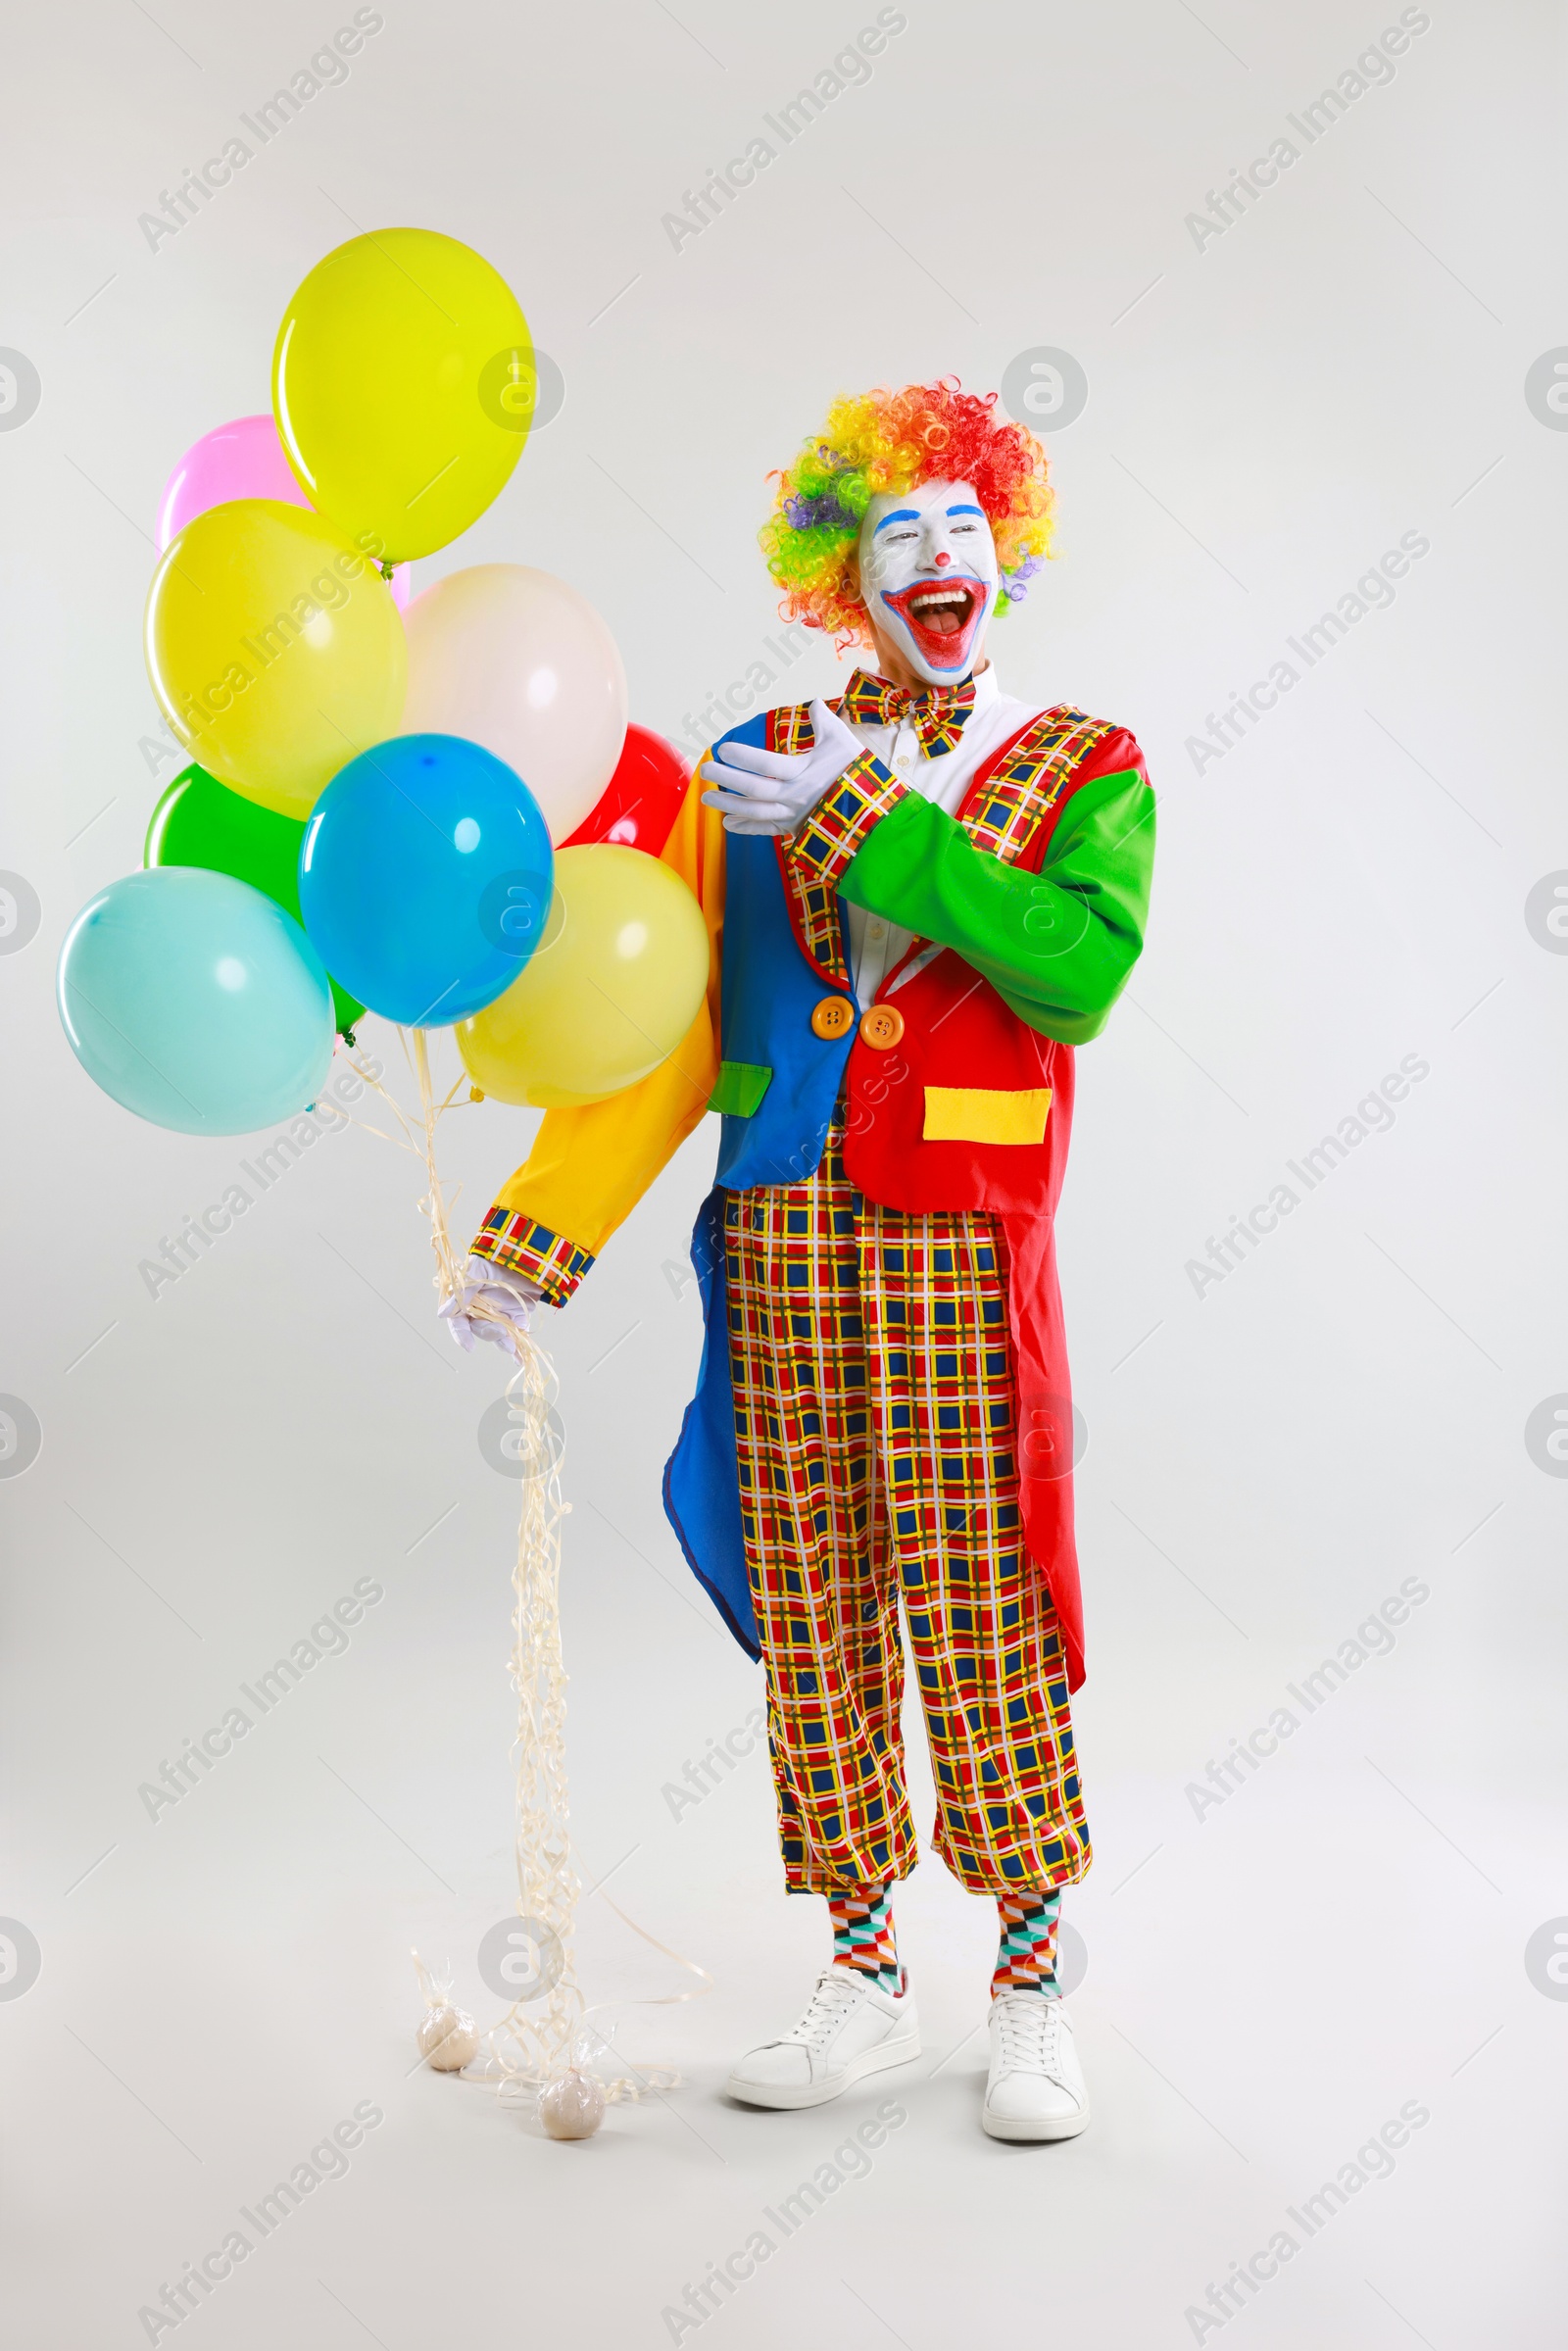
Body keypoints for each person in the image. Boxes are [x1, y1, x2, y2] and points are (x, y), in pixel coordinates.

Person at [442, 380, 1155, 2140]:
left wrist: (859, 812)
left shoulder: (1082, 765)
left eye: (965, 525)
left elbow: (1074, 969)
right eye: (896, 530)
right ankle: (861, 1969)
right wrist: (543, 1238)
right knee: (819, 1612)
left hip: (955, 1249)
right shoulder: (752, 755)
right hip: (782, 1241)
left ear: (1013, 558)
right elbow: (672, 1036)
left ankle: (1032, 1969)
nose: (936, 553)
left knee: (980, 1599)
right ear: (844, 574)